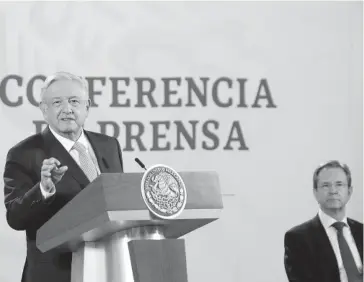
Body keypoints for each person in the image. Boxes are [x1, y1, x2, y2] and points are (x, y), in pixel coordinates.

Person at [3, 72, 124, 282]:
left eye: (74, 101)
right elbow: (15, 217)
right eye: (57, 102)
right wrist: (44, 189)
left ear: (87, 107)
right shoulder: (24, 153)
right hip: (55, 274)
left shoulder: (109, 145)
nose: (67, 109)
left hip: (109, 268)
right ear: (44, 110)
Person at [284, 160, 363, 282]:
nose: (333, 191)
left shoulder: (361, 231)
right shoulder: (297, 238)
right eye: (326, 185)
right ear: (315, 192)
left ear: (349, 191)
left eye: (339, 184)